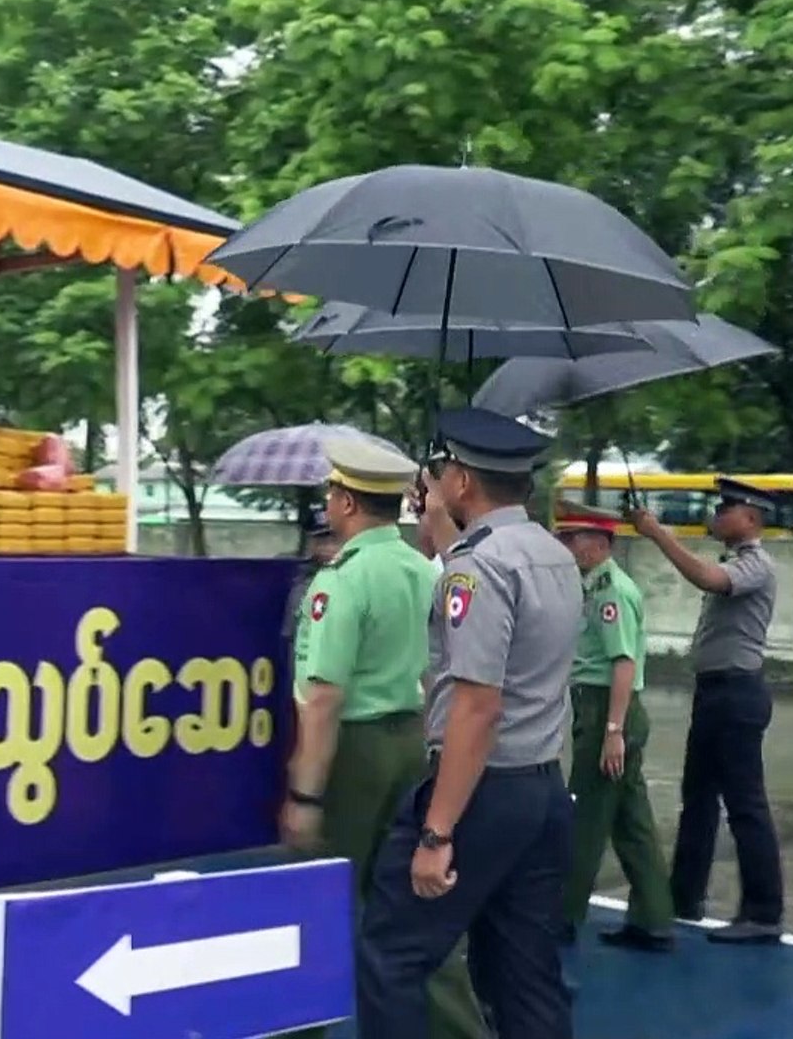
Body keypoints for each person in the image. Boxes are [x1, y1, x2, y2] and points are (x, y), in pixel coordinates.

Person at [355, 408, 580, 1039]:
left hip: (481, 789)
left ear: (462, 481)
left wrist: (436, 833)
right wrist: (440, 526)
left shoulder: (476, 567)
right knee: (525, 973)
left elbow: (478, 707)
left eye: (445, 469)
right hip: (541, 787)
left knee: (392, 955)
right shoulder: (552, 554)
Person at [280, 436, 487, 1039]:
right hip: (413, 740)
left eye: (332, 492)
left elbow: (323, 699)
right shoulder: (425, 570)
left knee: (317, 899)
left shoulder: (340, 581)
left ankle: (299, 1028)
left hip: (354, 752)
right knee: (416, 904)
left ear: (346, 502)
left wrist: (305, 796)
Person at [626, 476, 785, 944]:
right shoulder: (737, 560)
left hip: (737, 693)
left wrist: (657, 533)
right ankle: (685, 895)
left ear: (751, 517)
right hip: (715, 692)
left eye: (725, 509)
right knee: (697, 798)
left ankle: (763, 912)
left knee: (745, 805)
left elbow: (707, 578)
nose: (716, 515)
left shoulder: (756, 564)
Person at [554, 502, 675, 951]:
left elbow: (623, 663)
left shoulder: (611, 592)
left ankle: (563, 915)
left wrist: (612, 731)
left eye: (573, 538)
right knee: (631, 821)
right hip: (604, 708)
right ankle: (654, 918)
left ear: (599, 541)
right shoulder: (595, 585)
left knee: (585, 817)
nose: (567, 546)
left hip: (607, 707)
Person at [283, 505, 344, 668]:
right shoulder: (303, 581)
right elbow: (293, 636)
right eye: (321, 541)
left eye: (334, 540)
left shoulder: (358, 576)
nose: (328, 548)